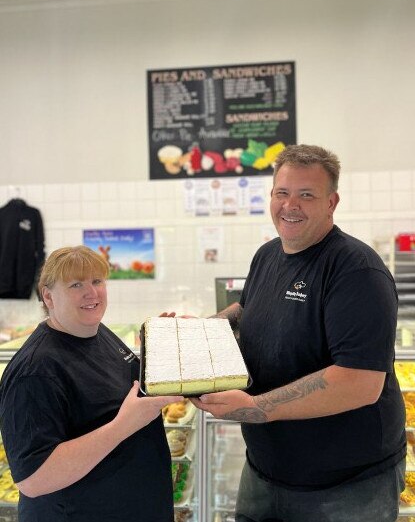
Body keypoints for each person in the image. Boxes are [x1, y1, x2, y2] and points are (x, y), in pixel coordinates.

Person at [192, 144, 406, 522]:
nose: (290, 205)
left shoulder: (356, 270)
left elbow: (359, 382)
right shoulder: (269, 254)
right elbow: (247, 309)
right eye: (282, 193)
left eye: (306, 195)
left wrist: (256, 408)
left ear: (331, 202)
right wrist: (193, 332)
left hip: (344, 488)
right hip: (265, 472)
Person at [0, 245, 182, 522]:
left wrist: (157, 351)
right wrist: (123, 425)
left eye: (97, 281)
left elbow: (119, 387)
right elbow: (33, 480)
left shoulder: (96, 331)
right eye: (76, 285)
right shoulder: (35, 371)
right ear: (48, 296)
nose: (92, 293)